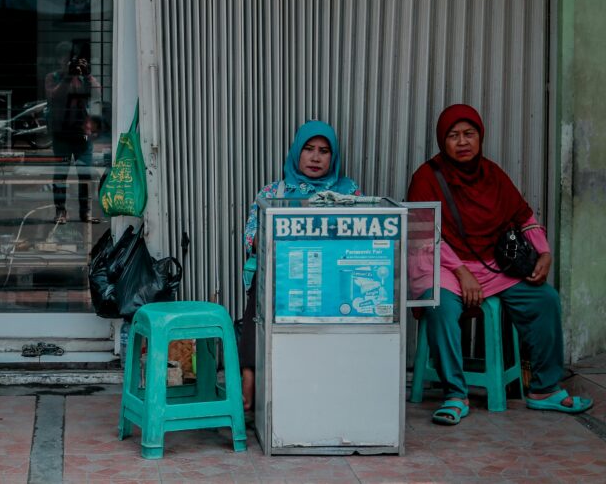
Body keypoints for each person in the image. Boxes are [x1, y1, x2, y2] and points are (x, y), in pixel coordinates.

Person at [407, 103, 593, 425]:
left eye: (470, 134)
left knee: (545, 299)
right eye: (453, 135)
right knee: (439, 305)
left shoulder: (492, 175)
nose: (462, 142)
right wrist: (462, 272)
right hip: (445, 265)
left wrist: (544, 254)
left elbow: (523, 217)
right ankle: (455, 393)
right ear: (442, 140)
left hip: (492, 267)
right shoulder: (427, 178)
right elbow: (423, 235)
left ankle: (544, 389)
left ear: (480, 137)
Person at [238, 120, 361, 410]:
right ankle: (248, 378)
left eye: (324, 151)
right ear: (296, 152)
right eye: (308, 149)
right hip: (282, 272)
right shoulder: (273, 192)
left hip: (330, 273)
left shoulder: (348, 192)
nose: (316, 157)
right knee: (259, 296)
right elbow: (251, 239)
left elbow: (359, 235)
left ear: (334, 157)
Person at [45, 41, 101, 224]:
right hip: (61, 134)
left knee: (85, 174)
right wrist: (68, 77)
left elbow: (98, 93)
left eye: (71, 59)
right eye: (64, 58)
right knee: (61, 174)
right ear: (59, 60)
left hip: (82, 135)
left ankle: (85, 213)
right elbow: (55, 96)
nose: (67, 62)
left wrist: (88, 74)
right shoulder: (52, 77)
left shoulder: (83, 78)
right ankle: (61, 212)